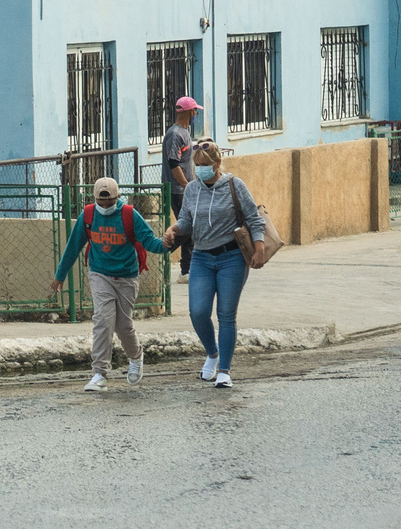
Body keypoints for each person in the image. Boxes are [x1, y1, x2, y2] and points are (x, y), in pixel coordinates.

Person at [164, 141, 269, 391]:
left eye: (205, 165)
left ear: (217, 163)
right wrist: (174, 229)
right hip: (201, 256)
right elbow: (186, 220)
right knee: (198, 311)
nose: (200, 170)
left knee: (226, 315)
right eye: (197, 165)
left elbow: (254, 218)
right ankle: (212, 353)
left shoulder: (235, 185)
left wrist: (260, 248)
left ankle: (224, 370)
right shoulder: (192, 190)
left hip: (231, 257)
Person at [54, 176, 166, 392]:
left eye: (110, 203)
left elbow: (149, 241)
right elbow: (73, 246)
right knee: (103, 320)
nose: (105, 207)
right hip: (99, 273)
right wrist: (61, 275)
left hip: (126, 276)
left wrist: (167, 244)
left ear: (117, 198)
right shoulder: (87, 215)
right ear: (94, 198)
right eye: (101, 203)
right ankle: (99, 373)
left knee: (123, 325)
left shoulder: (129, 215)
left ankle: (135, 356)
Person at [161, 96, 200, 279]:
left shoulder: (184, 132)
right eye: (195, 110)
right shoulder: (175, 134)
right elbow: (173, 163)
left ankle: (186, 271)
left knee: (189, 229)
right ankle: (160, 252)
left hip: (184, 189)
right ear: (188, 112)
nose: (196, 114)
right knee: (187, 227)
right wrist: (187, 186)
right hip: (177, 190)